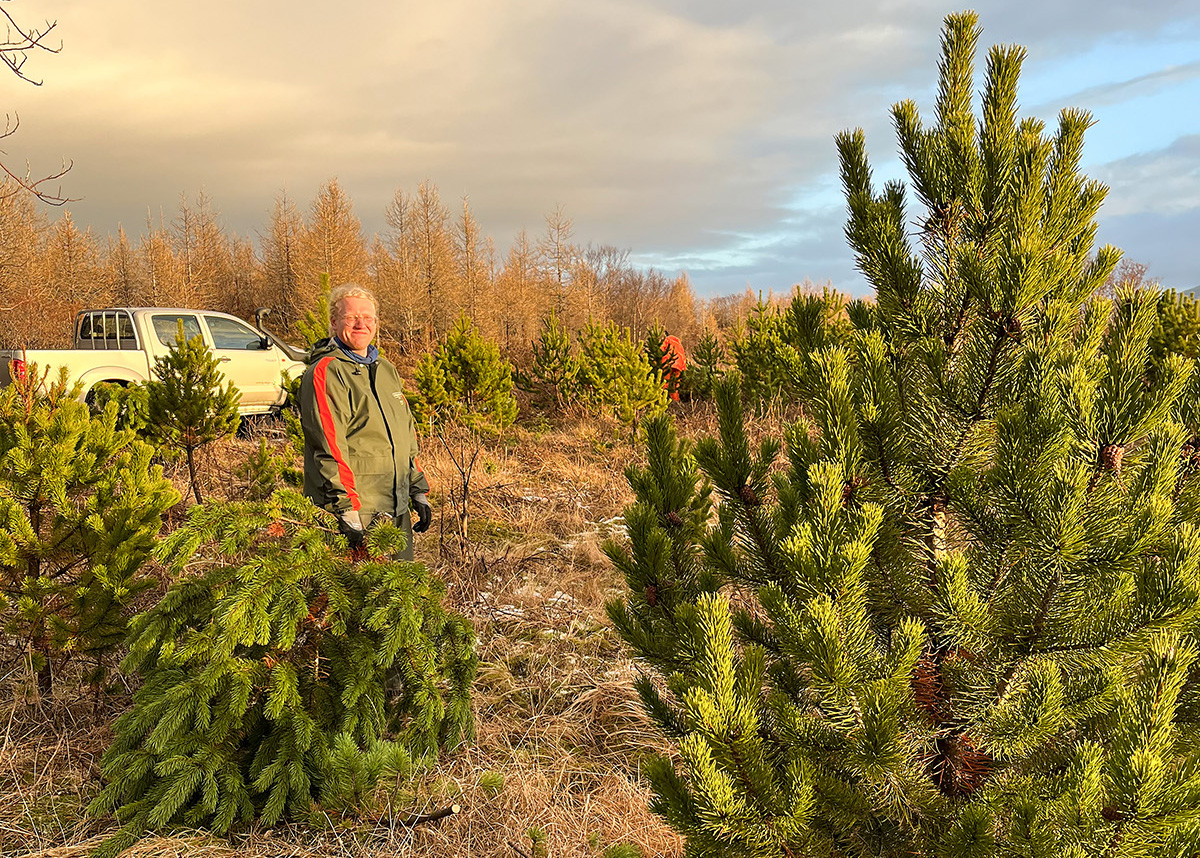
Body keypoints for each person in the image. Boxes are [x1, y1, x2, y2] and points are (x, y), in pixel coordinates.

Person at [299, 283, 432, 560]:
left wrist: (418, 489)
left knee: (399, 594)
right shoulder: (327, 372)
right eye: (351, 317)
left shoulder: (385, 369)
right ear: (334, 322)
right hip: (356, 513)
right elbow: (329, 446)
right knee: (351, 599)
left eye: (368, 317)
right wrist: (346, 510)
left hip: (395, 508)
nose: (361, 324)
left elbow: (405, 435)